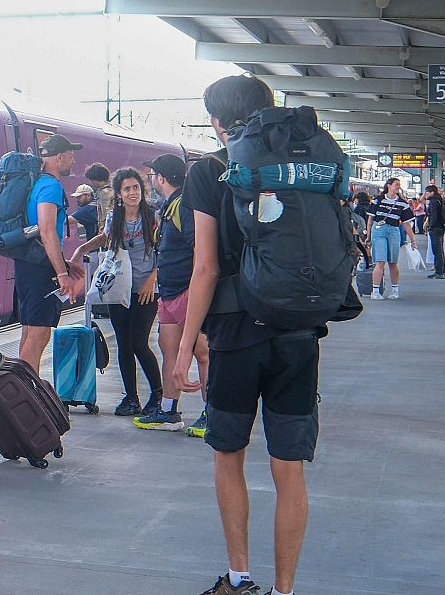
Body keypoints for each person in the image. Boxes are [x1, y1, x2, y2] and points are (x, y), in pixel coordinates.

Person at [173, 75, 319, 595]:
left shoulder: (208, 170)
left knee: (228, 454)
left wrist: (185, 345)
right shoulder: (301, 164)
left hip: (236, 334)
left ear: (217, 121)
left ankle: (239, 578)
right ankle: (285, 590)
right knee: (289, 469)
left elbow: (206, 267)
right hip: (298, 331)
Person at [72, 168, 162, 418]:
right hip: (119, 287)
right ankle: (131, 397)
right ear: (119, 194)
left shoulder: (153, 215)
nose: (133, 193)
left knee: (139, 342)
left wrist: (152, 280)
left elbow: (165, 249)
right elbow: (105, 238)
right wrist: (80, 250)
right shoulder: (115, 217)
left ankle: (157, 394)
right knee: (123, 342)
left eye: (136, 188)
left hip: (145, 289)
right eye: (127, 189)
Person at [139, 154, 209, 436]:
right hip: (168, 294)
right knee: (168, 348)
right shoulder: (169, 207)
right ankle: (169, 411)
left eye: (153, 175)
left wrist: (196, 290)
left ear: (161, 178)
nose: (151, 180)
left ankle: (213, 412)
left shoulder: (184, 206)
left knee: (202, 351)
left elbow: (199, 249)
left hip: (185, 291)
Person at [16, 134, 85, 373]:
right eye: (70, 156)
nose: (72, 161)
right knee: (39, 333)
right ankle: (27, 390)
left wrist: (63, 263)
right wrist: (61, 273)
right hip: (40, 269)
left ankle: (25, 385)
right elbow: (46, 229)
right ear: (59, 157)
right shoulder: (51, 186)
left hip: (28, 263)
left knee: (29, 330)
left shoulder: (37, 183)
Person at [366, 177, 414, 300]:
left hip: (394, 230)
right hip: (379, 230)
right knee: (380, 261)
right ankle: (375, 291)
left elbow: (406, 223)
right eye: (396, 184)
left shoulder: (402, 203)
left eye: (399, 185)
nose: (398, 187)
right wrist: (368, 235)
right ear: (389, 185)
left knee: (393, 262)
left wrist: (412, 240)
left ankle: (395, 290)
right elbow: (370, 219)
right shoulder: (378, 200)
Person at [428, 185, 445, 279]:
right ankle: (441, 270)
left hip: (435, 228)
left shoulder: (433, 201)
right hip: (440, 227)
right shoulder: (440, 200)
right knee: (440, 250)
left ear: (432, 192)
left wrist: (431, 226)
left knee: (437, 250)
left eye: (427, 192)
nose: (425, 194)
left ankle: (439, 272)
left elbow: (433, 215)